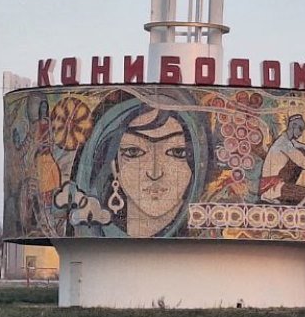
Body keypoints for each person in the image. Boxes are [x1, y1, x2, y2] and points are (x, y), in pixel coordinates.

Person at [72, 89, 208, 238]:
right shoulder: (89, 236)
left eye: (177, 152)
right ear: (114, 165)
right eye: (133, 152)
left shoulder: (208, 239)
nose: (155, 173)